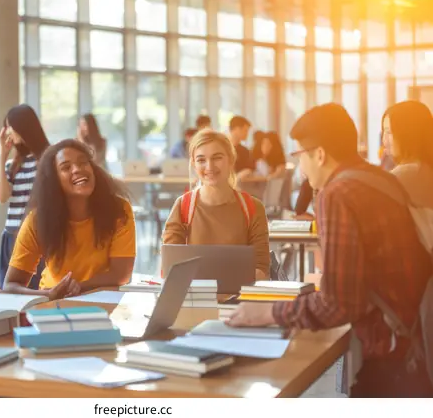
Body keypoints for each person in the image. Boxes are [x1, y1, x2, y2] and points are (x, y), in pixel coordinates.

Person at [226, 103, 433, 397]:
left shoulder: (337, 194)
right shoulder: (381, 179)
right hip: (417, 339)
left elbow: (338, 304)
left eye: (299, 156)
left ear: (319, 154)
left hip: (395, 358)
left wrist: (267, 312)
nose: (300, 168)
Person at [4, 139, 136, 296]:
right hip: (54, 305)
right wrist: (48, 294)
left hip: (104, 303)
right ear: (54, 180)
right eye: (66, 167)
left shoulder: (119, 210)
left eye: (83, 163)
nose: (77, 170)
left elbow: (120, 275)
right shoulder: (37, 220)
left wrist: (78, 287)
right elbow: (11, 285)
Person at [162, 129, 270, 280]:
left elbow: (261, 268)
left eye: (217, 158)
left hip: (238, 300)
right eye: (201, 160)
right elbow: (169, 268)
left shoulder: (253, 208)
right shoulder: (183, 206)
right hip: (195, 300)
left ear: (231, 160)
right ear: (193, 164)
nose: (209, 166)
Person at [0, 104, 50, 288]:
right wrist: (2, 155)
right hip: (11, 235)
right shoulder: (13, 164)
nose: (8, 131)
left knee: (38, 292)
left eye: (10, 126)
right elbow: (1, 197)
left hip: (38, 235)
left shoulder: (48, 160)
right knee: (11, 293)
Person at [382, 100, 433, 210]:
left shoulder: (408, 173)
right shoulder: (424, 168)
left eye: (389, 132)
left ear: (407, 135)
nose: (384, 140)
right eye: (384, 132)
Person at [228, 116, 255, 180]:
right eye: (245, 130)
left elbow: (250, 169)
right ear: (237, 129)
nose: (247, 134)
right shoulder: (221, 148)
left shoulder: (245, 151)